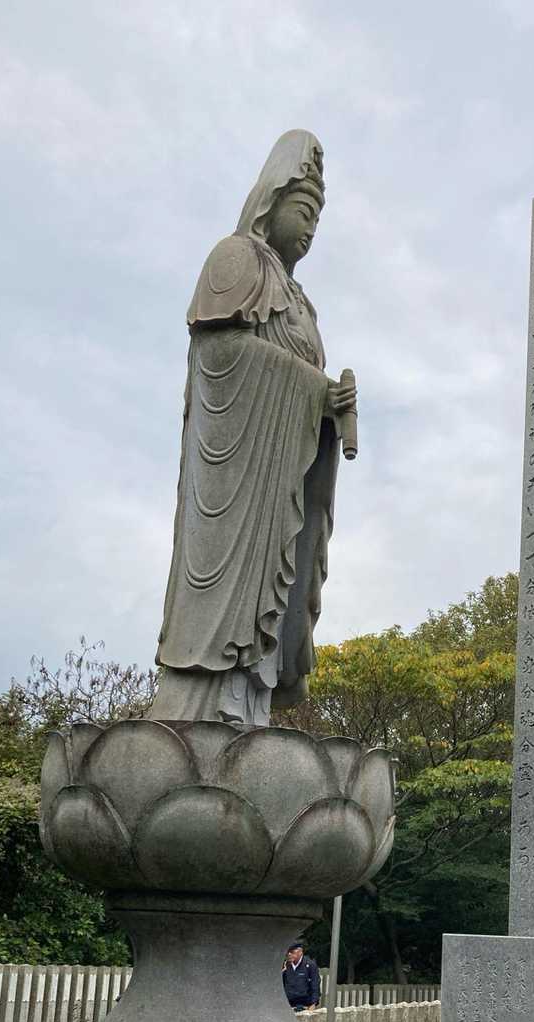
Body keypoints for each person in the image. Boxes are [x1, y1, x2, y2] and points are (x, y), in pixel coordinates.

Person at [147, 129, 358, 727]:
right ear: (272, 199)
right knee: (227, 593)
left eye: (318, 217)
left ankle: (250, 708)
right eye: (304, 210)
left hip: (281, 482)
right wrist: (313, 389)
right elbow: (220, 355)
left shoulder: (301, 302)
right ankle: (200, 709)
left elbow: (303, 380)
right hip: (237, 479)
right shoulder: (236, 258)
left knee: (277, 585)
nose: (311, 228)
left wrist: (328, 406)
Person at [281, 941, 320, 1012]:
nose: (289, 954)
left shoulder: (310, 965)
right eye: (288, 952)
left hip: (305, 1005)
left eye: (292, 952)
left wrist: (313, 1004)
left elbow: (315, 985)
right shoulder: (285, 965)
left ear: (300, 952)